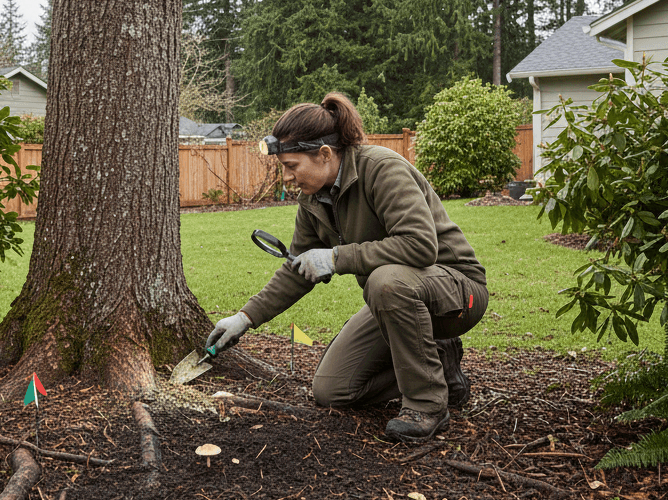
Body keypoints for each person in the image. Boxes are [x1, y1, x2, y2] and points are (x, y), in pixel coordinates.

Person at [204, 92, 489, 443]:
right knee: (332, 389)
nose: (287, 178)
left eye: (291, 166)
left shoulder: (382, 169)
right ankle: (441, 370)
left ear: (324, 154)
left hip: (456, 293)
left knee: (385, 283)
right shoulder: (312, 200)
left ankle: (427, 405)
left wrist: (336, 257)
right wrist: (244, 319)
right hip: (396, 298)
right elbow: (297, 268)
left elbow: (420, 246)